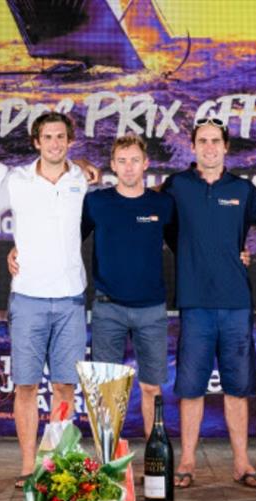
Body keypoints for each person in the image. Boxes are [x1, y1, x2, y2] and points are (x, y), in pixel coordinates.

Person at [162, 117, 256, 488]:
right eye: (202, 141)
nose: (209, 147)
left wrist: (246, 251)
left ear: (226, 147)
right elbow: (147, 221)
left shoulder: (242, 190)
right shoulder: (176, 186)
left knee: (237, 389)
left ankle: (242, 463)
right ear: (192, 147)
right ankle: (188, 462)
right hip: (195, 303)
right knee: (190, 388)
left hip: (236, 303)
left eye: (216, 141)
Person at [4, 112, 89, 488]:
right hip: (27, 298)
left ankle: (55, 465)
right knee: (25, 386)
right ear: (35, 142)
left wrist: (88, 168)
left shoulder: (82, 179)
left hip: (71, 298)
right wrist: (10, 249)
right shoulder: (16, 180)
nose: (54, 143)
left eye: (60, 137)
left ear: (70, 141)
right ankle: (27, 468)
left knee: (64, 387)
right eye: (47, 137)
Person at [80, 134, 174, 437]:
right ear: (113, 166)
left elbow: (188, 246)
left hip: (152, 310)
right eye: (122, 161)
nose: (129, 167)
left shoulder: (162, 204)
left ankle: (154, 458)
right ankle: (107, 462)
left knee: (151, 387)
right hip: (108, 308)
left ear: (145, 164)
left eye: (135, 160)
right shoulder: (96, 202)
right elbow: (64, 241)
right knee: (107, 388)